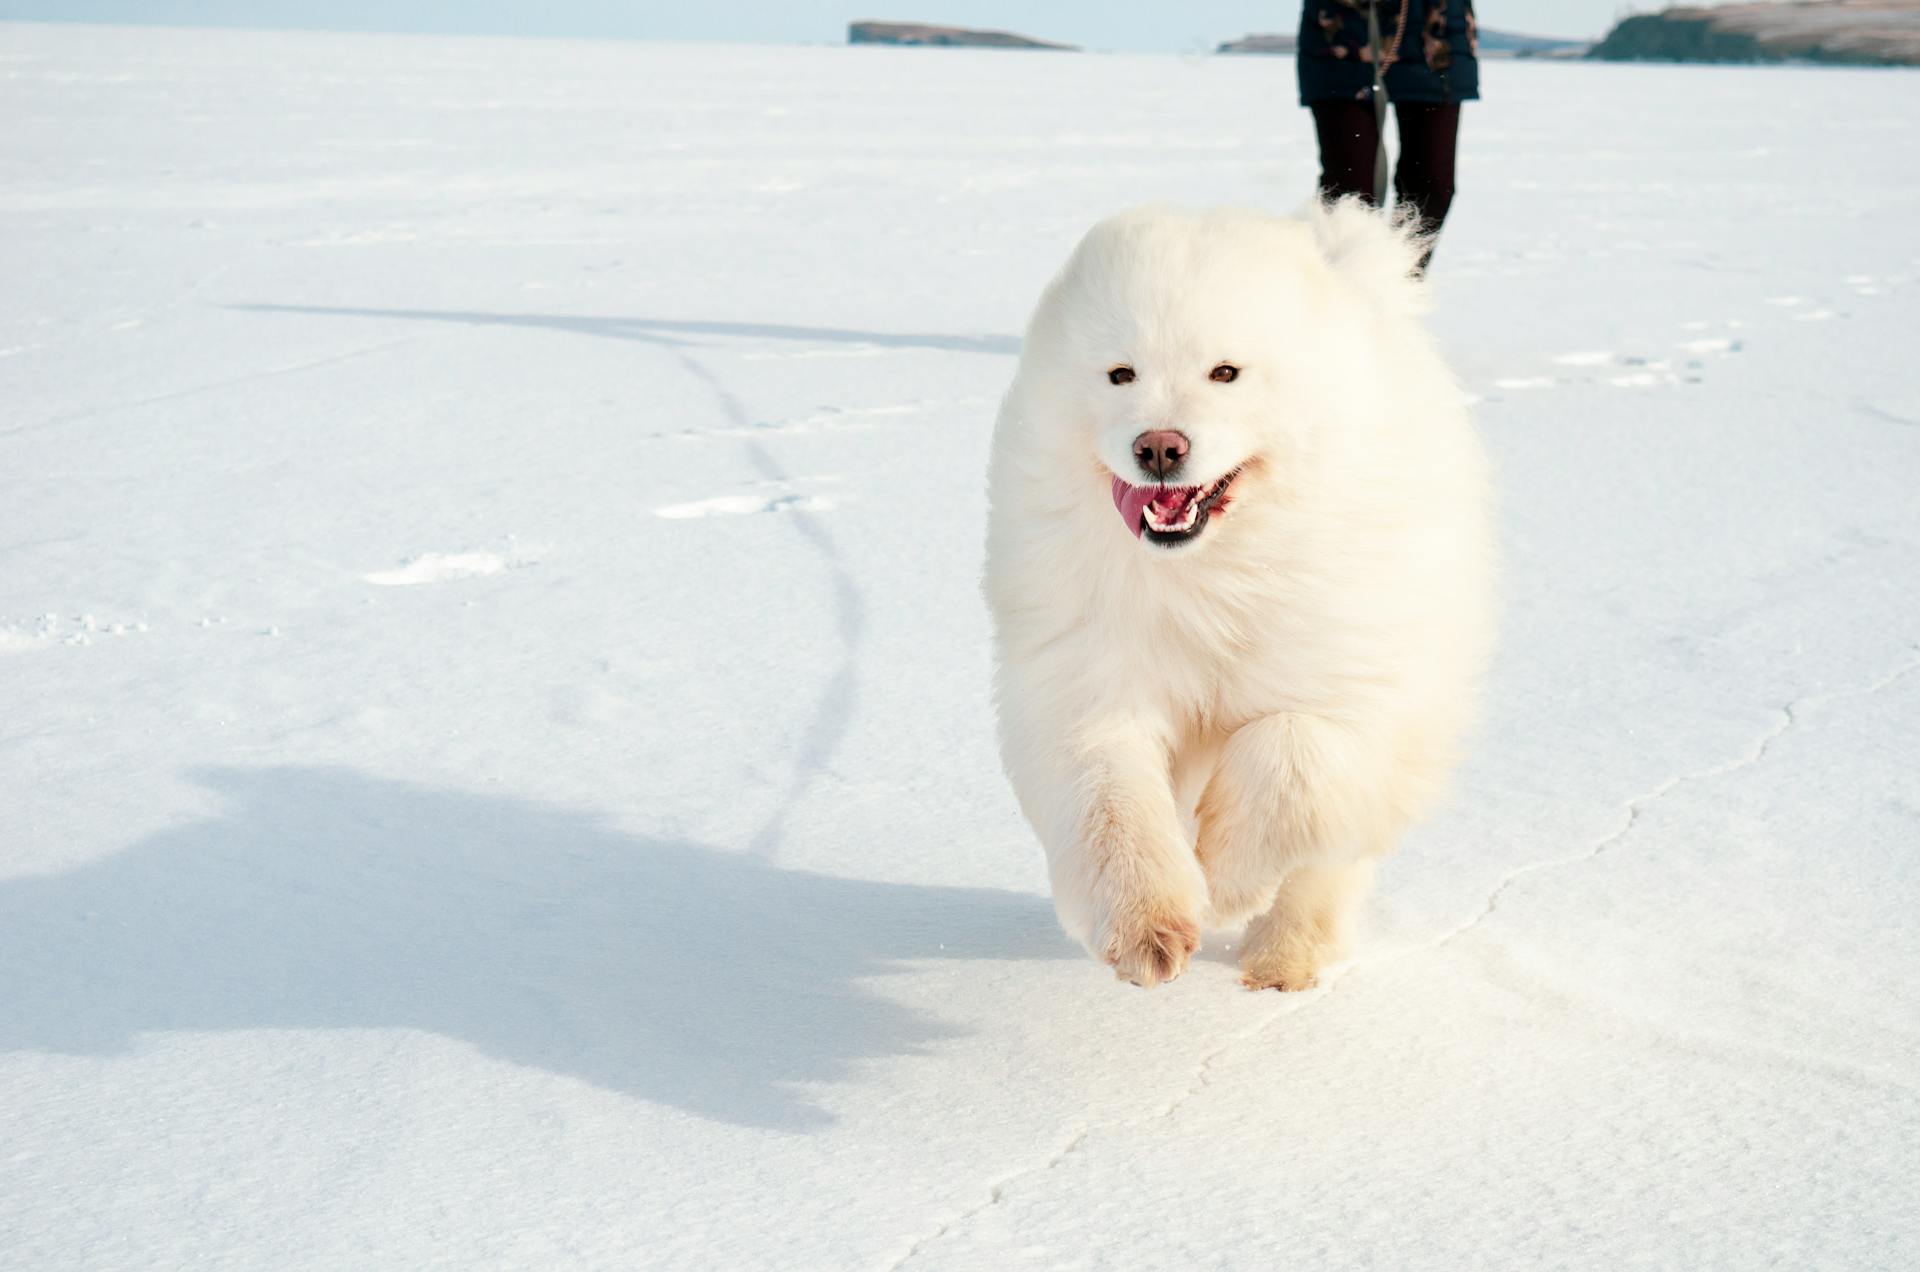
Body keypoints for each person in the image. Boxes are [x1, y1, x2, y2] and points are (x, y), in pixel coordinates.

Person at [1297, 0, 1478, 270]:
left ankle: (1399, 286)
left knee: (1432, 185)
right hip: (1342, 33)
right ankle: (1340, 289)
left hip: (1436, 37)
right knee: (1351, 192)